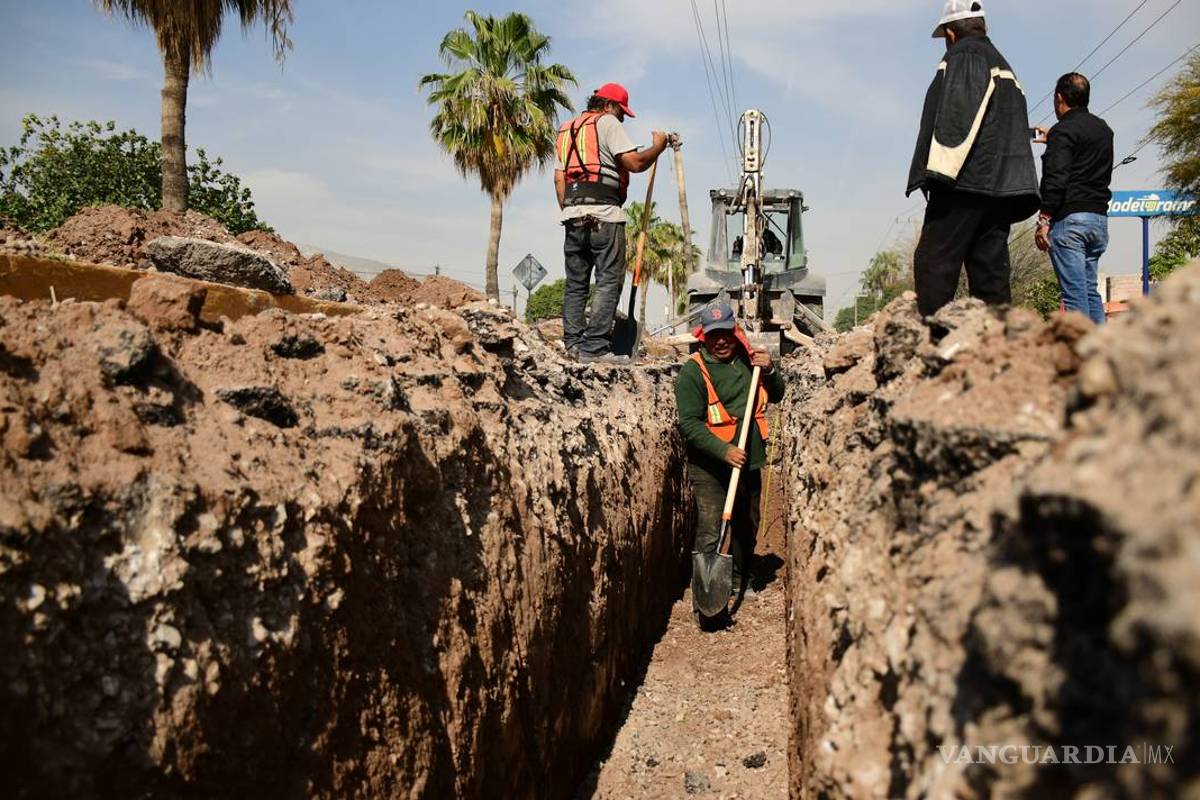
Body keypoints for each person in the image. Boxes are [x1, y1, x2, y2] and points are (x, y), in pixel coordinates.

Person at [906, 0, 1040, 317]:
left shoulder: (966, 55)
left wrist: (939, 174)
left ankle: (933, 341)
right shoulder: (1005, 68)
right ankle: (995, 349)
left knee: (934, 265)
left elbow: (958, 116)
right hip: (999, 190)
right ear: (984, 27)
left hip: (962, 183)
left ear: (951, 33)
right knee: (990, 276)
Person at [674, 301, 785, 626]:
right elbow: (690, 425)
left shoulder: (749, 363)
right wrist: (723, 451)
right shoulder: (693, 372)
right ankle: (707, 601)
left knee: (746, 523)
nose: (720, 341)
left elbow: (776, 395)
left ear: (735, 332)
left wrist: (770, 370)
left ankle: (739, 579)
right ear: (703, 336)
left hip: (749, 460)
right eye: (713, 335)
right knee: (711, 528)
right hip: (709, 465)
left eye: (725, 334)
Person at [555, 83, 668, 363]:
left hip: (573, 215)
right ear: (609, 105)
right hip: (605, 216)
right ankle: (594, 349)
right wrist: (659, 146)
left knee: (576, 283)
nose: (621, 119)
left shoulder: (566, 129)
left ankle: (573, 344)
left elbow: (560, 179)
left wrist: (571, 210)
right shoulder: (606, 122)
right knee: (608, 281)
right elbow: (635, 163)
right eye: (621, 113)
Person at [1033, 73, 1114, 325]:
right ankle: (1102, 355)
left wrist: (1044, 218)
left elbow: (1056, 178)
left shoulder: (1064, 131)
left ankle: (1084, 357)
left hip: (1071, 223)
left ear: (1059, 98)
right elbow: (1084, 155)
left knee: (1075, 295)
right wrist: (1055, 138)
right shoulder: (1103, 129)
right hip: (1098, 221)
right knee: (1090, 292)